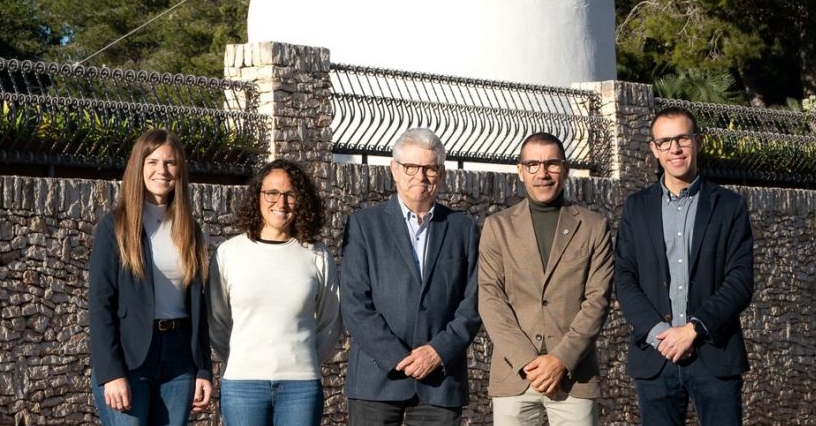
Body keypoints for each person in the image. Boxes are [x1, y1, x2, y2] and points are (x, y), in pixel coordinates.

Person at [614, 107, 754, 425]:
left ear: (698, 141)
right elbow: (624, 277)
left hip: (714, 353)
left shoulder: (730, 206)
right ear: (654, 149)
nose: (674, 149)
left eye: (682, 139)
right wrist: (661, 333)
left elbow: (741, 280)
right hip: (656, 356)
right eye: (664, 141)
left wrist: (693, 329)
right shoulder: (636, 208)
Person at [340, 128, 482, 425]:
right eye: (411, 167)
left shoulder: (463, 229)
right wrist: (396, 357)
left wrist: (437, 352)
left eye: (430, 168)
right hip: (376, 378)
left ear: (441, 174)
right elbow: (354, 303)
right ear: (395, 169)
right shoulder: (364, 226)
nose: (421, 176)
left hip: (439, 382)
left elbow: (473, 303)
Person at [478, 132, 614, 426]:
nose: (543, 173)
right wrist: (528, 361)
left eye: (552, 164)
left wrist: (561, 360)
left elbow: (597, 300)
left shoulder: (594, 227)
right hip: (514, 375)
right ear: (520, 170)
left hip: (574, 376)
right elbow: (490, 300)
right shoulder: (497, 227)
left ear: (565, 169)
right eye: (533, 164)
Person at [88, 128, 213, 424]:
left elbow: (200, 306)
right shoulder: (114, 227)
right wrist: (111, 372)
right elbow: (100, 304)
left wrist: (203, 369)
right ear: (139, 167)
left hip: (180, 360)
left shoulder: (190, 229)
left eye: (170, 163)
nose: (162, 170)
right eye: (153, 162)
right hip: (130, 361)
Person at [208, 159, 342, 425]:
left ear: (301, 201)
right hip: (242, 385)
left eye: (290, 195)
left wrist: (304, 358)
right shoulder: (229, 253)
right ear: (257, 196)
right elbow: (216, 321)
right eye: (272, 193)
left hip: (301, 388)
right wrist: (240, 357)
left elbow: (331, 321)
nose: (280, 203)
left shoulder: (316, 255)